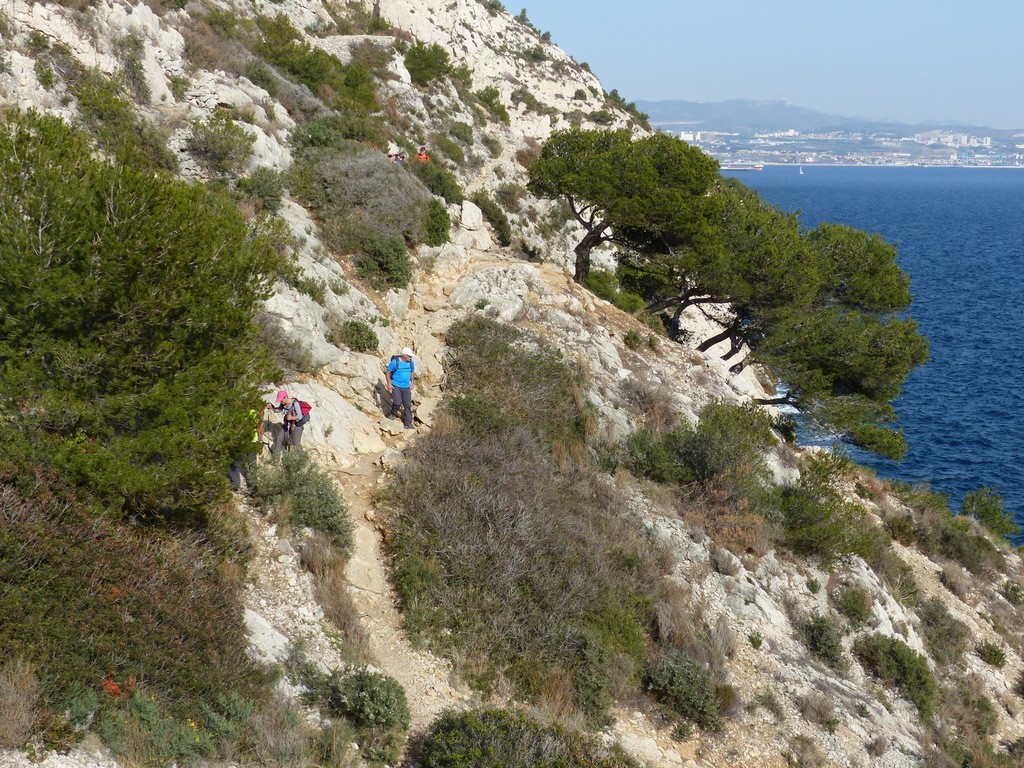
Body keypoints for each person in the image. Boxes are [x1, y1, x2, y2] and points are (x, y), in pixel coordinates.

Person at [229, 409, 264, 491]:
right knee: (251, 465)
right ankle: (253, 489)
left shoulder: (245, 412)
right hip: (252, 442)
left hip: (244, 442)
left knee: (235, 462)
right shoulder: (255, 412)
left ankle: (235, 484)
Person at [386, 348, 416, 430]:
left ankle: (408, 423)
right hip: (396, 385)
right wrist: (389, 383)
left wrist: (412, 383)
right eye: (409, 356)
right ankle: (393, 413)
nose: (411, 358)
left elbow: (412, 372)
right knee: (397, 402)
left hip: (406, 386)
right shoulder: (395, 362)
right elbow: (388, 372)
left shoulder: (411, 362)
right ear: (404, 355)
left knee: (407, 405)